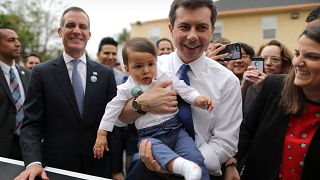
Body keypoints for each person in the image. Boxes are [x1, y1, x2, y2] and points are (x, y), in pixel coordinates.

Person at [118, 0, 242, 179]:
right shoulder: (148, 68)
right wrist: (142, 104)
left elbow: (226, 142)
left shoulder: (227, 81)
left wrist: (178, 166)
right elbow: (121, 117)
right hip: (150, 169)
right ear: (171, 29)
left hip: (201, 171)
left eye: (201, 28)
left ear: (212, 31)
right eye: (184, 26)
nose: (192, 36)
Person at [15, 7, 117, 179]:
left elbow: (115, 123)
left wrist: (116, 169)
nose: (77, 31)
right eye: (70, 25)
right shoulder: (41, 73)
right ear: (60, 31)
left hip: (98, 167)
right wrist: (33, 163)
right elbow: (31, 124)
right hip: (56, 169)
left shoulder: (106, 74)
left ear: (89, 34)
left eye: (82, 27)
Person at [94, 37, 213, 180]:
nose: (146, 70)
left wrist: (198, 99)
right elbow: (112, 109)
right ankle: (183, 166)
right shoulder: (126, 88)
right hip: (150, 135)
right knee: (153, 150)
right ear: (127, 69)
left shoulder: (164, 76)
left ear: (156, 62)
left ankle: (193, 168)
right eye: (138, 66)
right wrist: (102, 134)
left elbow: (183, 88)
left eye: (150, 64)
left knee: (195, 156)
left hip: (176, 130)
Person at [225, 24, 320, 180]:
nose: (298, 62)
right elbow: (246, 130)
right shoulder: (274, 86)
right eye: (298, 53)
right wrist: (231, 164)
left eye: (312, 56)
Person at [0, 27, 30, 161]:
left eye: (18, 40)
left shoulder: (28, 74)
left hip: (26, 148)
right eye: (11, 40)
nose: (18, 44)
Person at [241, 40, 293, 117]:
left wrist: (267, 88)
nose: (268, 63)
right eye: (264, 59)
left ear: (284, 63)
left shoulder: (290, 85)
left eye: (274, 59)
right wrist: (244, 87)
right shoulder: (250, 83)